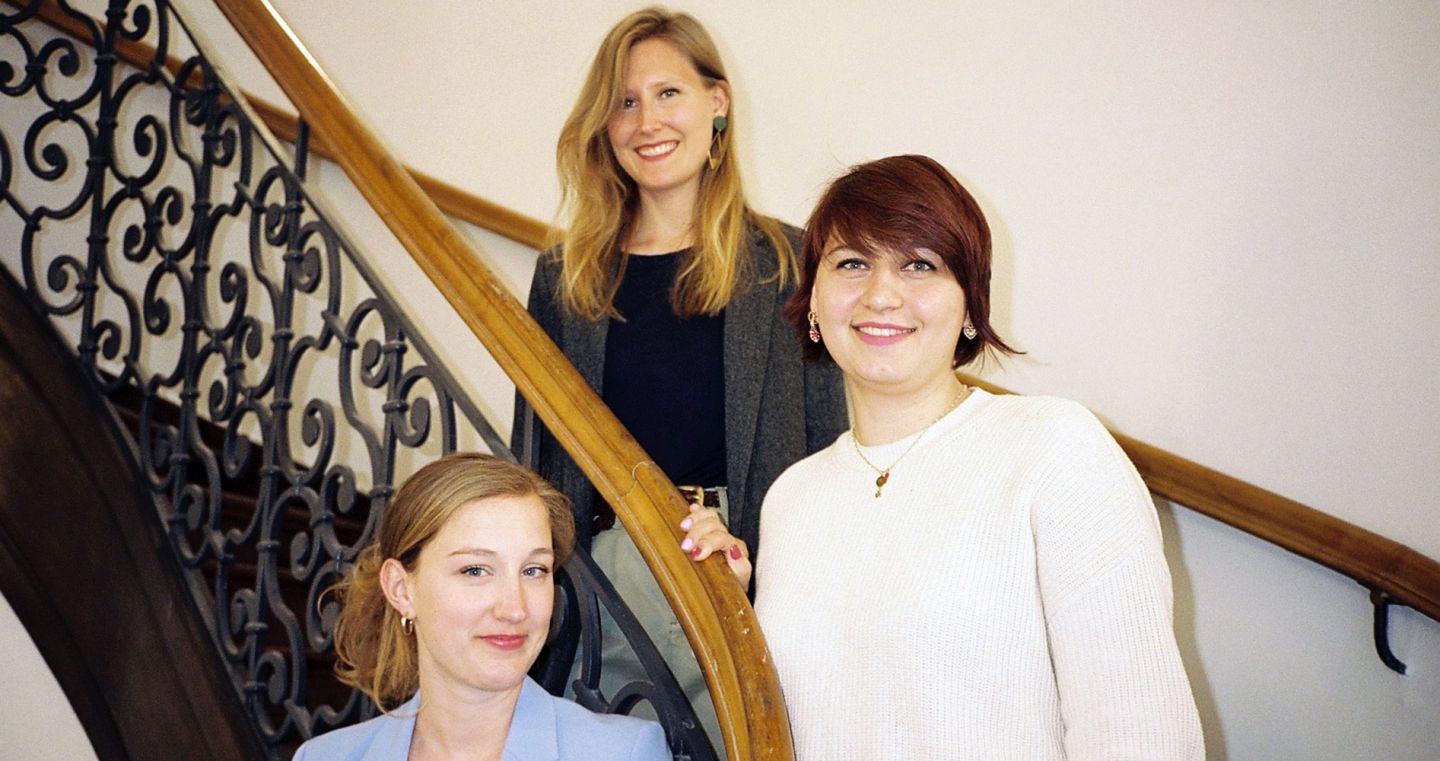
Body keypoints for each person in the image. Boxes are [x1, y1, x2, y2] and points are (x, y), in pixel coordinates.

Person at [680, 155, 1206, 759]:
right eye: (852, 263)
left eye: (919, 265)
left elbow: (1140, 731)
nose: (881, 294)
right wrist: (732, 606)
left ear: (968, 305)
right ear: (815, 303)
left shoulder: (1055, 447)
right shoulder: (792, 497)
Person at [517, 6, 846, 746]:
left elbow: (832, 449)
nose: (646, 121)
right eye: (624, 102)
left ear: (717, 104)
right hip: (603, 591)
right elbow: (534, 466)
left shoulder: (790, 262)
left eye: (669, 93)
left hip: (746, 577)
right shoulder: (563, 280)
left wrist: (774, 571)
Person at [292, 453, 668, 761]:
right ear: (401, 588)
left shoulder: (624, 752)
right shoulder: (324, 757)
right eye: (475, 570)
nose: (515, 609)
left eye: (533, 570)